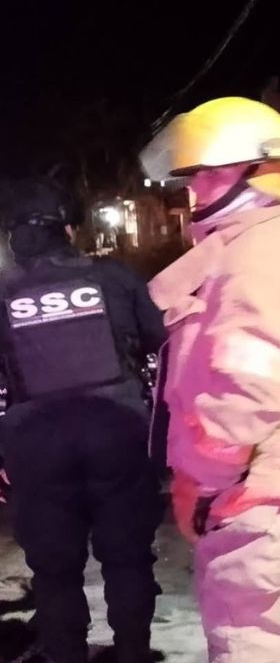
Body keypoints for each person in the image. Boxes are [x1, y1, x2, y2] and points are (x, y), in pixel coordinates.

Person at [139, 97, 280, 663]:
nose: (195, 190)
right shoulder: (275, 245)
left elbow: (247, 394)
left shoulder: (255, 258)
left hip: (259, 501)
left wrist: (206, 485)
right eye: (195, 176)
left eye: (210, 174)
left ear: (259, 174)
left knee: (257, 645)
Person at [0, 178, 166, 663]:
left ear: (14, 237)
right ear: (69, 229)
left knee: (54, 572)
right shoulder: (112, 277)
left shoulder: (3, 293)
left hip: (35, 443)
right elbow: (164, 342)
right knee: (127, 558)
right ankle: (133, 654)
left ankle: (66, 656)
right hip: (117, 433)